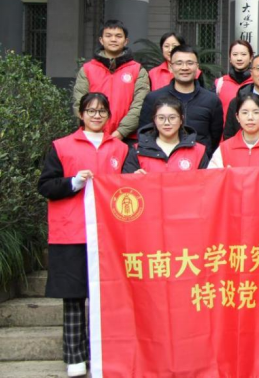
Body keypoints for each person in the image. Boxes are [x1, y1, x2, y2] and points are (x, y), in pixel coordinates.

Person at [37, 93, 130, 378]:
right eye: (91, 111)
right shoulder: (61, 146)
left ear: (109, 116)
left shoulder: (121, 148)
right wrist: (73, 182)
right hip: (72, 232)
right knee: (74, 296)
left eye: (102, 111)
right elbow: (46, 185)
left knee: (109, 297)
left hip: (111, 235)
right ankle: (75, 355)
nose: (96, 116)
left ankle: (105, 353)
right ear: (81, 114)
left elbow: (130, 186)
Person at [139, 45, 223, 158]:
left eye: (190, 63)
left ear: (197, 66)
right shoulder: (154, 98)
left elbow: (215, 137)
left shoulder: (211, 100)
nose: (184, 67)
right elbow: (145, 133)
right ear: (171, 67)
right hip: (162, 160)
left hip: (199, 162)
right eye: (179, 63)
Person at [72, 20, 150, 142]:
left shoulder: (137, 70)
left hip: (127, 138)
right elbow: (79, 103)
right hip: (93, 137)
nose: (113, 39)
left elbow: (140, 105)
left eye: (118, 36)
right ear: (101, 40)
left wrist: (121, 132)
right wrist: (94, 130)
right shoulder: (87, 69)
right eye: (108, 36)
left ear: (126, 41)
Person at [124, 97, 209, 173]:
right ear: (154, 120)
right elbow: (126, 183)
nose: (167, 123)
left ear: (181, 120)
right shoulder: (138, 150)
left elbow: (206, 182)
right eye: (161, 118)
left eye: (172, 118)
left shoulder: (198, 151)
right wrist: (135, 178)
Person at [214, 40, 254, 126]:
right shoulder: (220, 83)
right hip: (225, 133)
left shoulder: (257, 83)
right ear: (230, 58)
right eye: (235, 54)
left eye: (243, 54)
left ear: (251, 58)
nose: (239, 58)